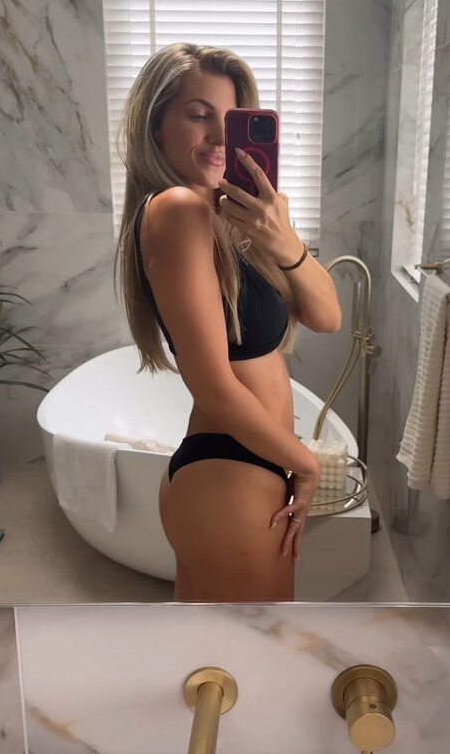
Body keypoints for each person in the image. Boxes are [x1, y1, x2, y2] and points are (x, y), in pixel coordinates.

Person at [115, 42, 342, 602]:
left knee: (206, 653)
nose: (220, 137)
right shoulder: (179, 210)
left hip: (231, 473)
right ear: (156, 124)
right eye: (199, 116)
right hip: (232, 479)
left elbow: (327, 317)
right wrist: (305, 464)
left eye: (232, 119)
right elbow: (212, 383)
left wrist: (283, 242)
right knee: (257, 655)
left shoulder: (231, 218)